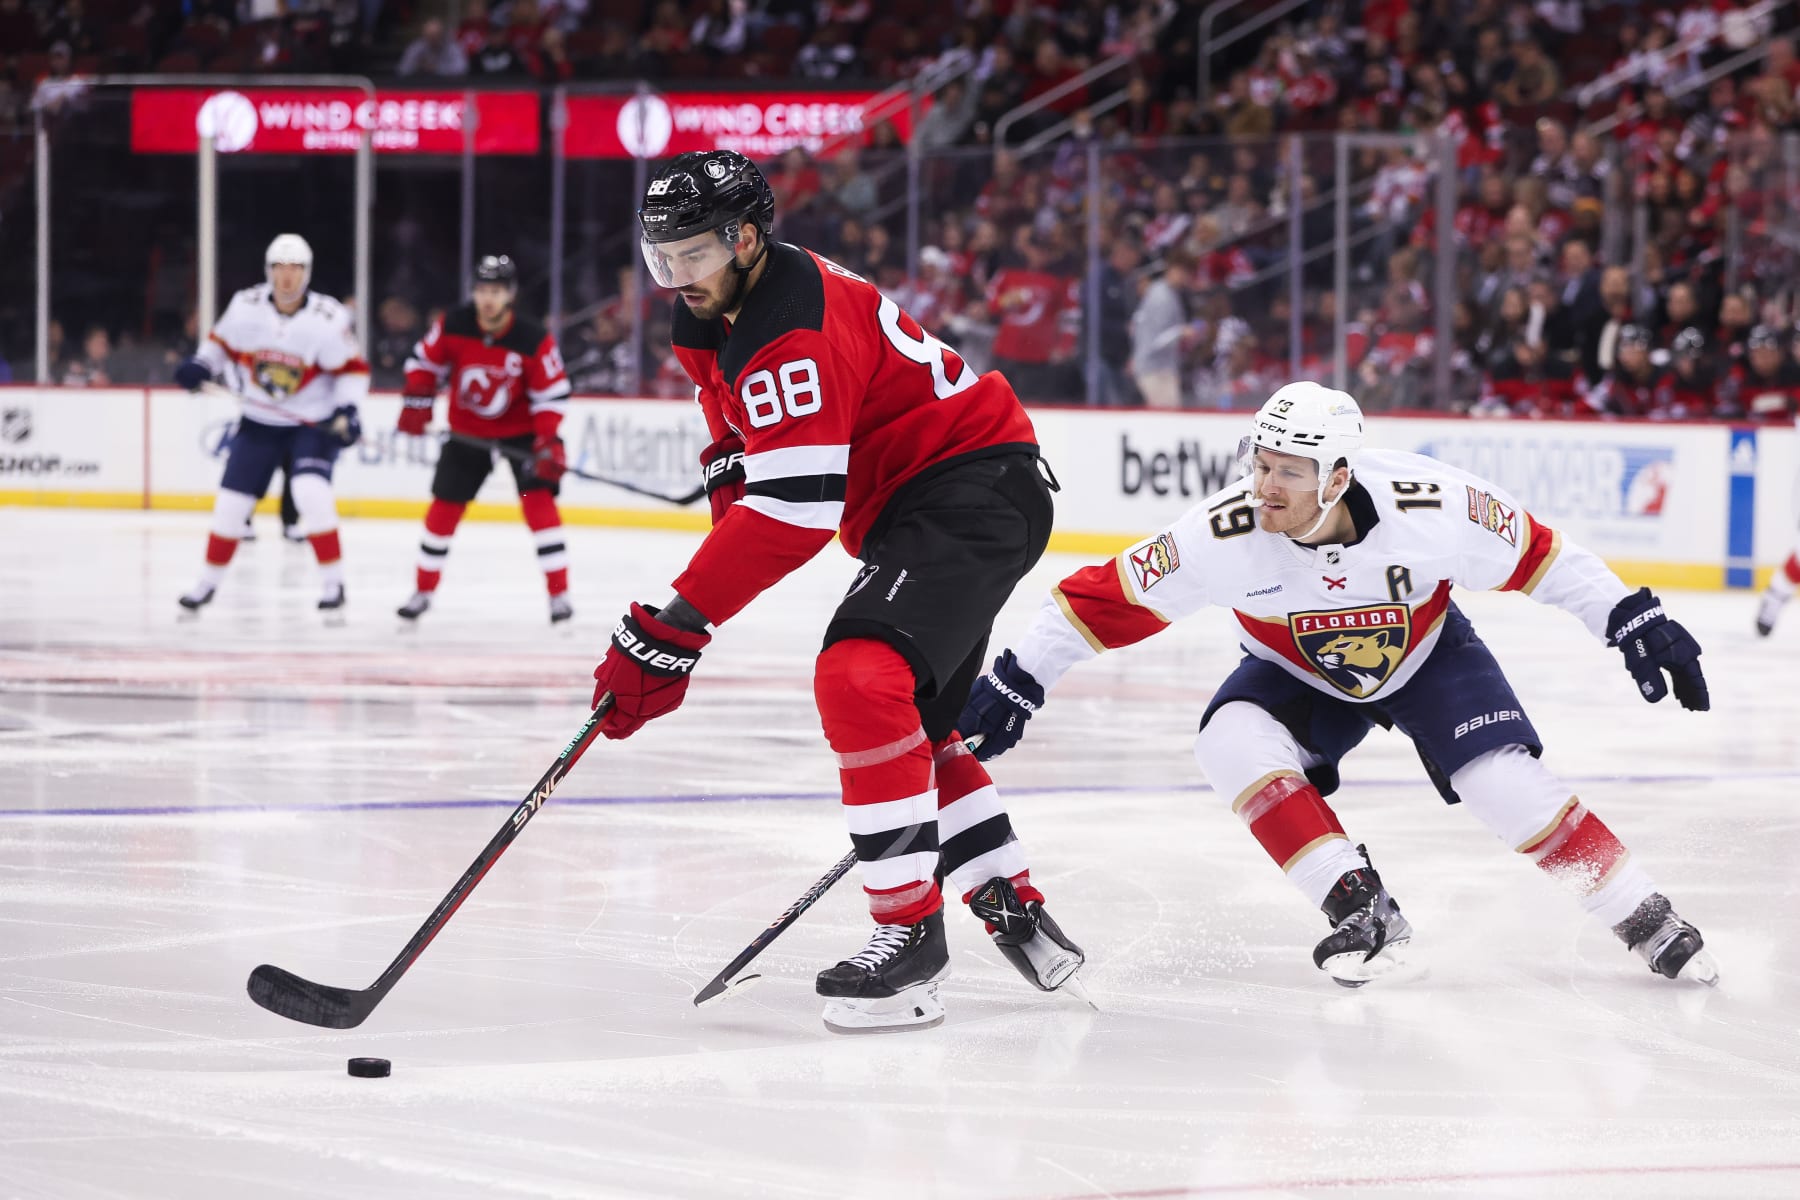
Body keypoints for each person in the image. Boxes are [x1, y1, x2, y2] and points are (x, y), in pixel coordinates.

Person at [961, 383, 1719, 989]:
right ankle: (1359, 905)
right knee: (1227, 741)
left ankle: (1646, 917)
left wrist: (1628, 616)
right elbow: (1101, 598)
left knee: (1500, 784)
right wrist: (1020, 676)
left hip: (1425, 653)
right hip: (1297, 669)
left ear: (1339, 476)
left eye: (1289, 471)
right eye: (1260, 463)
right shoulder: (1221, 535)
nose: (1265, 486)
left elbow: (1545, 557)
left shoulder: (1434, 506)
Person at [587, 150, 1086, 1033]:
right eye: (661, 259)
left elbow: (796, 509)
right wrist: (711, 562)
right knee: (913, 725)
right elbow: (741, 460)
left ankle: (908, 944)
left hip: (965, 493)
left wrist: (673, 627)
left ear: (746, 238)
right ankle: (1011, 904)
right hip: (936, 503)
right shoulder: (712, 314)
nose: (676, 277)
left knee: (860, 679)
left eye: (692, 255)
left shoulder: (790, 327)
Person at [172, 234, 366, 614]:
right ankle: (207, 584)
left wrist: (348, 410)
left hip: (312, 423)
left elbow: (352, 371)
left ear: (307, 273)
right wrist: (200, 366)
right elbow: (219, 347)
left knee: (311, 492)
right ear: (268, 270)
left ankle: (333, 583)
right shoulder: (245, 307)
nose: (287, 277)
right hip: (259, 421)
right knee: (231, 505)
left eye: (295, 269)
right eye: (279, 268)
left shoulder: (328, 319)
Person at [396, 255, 575, 624]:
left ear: (510, 294)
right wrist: (418, 393)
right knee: (444, 509)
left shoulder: (532, 338)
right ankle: (422, 591)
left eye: (495, 291)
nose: (487, 299)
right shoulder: (454, 324)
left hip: (521, 435)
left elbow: (551, 393)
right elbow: (422, 362)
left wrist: (545, 439)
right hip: (468, 433)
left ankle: (559, 595)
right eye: (481, 291)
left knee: (538, 502)